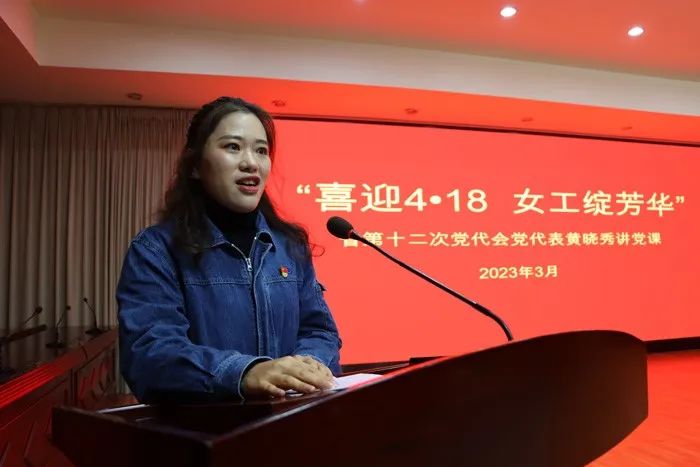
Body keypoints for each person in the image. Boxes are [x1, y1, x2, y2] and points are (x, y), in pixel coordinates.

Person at [116, 97, 342, 403]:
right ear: (195, 166)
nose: (251, 163)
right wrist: (245, 373)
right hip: (203, 428)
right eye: (233, 147)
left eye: (261, 150)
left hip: (290, 422)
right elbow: (151, 355)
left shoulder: (289, 246)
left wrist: (307, 368)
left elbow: (320, 331)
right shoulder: (156, 250)